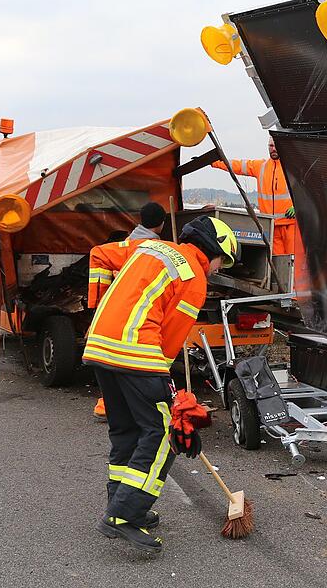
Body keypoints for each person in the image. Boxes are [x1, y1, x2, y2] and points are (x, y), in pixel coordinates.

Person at [83, 216, 238, 553]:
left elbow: (101, 255)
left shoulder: (151, 246)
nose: (217, 268)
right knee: (165, 434)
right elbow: (169, 339)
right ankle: (124, 515)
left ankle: (120, 504)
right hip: (136, 352)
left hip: (99, 347)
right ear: (213, 249)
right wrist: (170, 394)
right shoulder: (193, 277)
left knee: (126, 431)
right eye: (221, 260)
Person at [93, 201, 171, 420]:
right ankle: (110, 405)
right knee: (127, 361)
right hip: (134, 308)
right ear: (162, 224)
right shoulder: (151, 248)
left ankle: (108, 404)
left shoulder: (128, 242)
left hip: (116, 306)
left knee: (114, 359)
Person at [212, 136, 298, 255]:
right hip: (271, 226)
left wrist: (298, 207)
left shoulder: (294, 168)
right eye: (271, 146)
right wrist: (213, 162)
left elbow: (310, 191)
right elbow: (237, 165)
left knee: (293, 260)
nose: (274, 149)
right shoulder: (261, 166)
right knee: (277, 260)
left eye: (276, 146)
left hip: (291, 225)